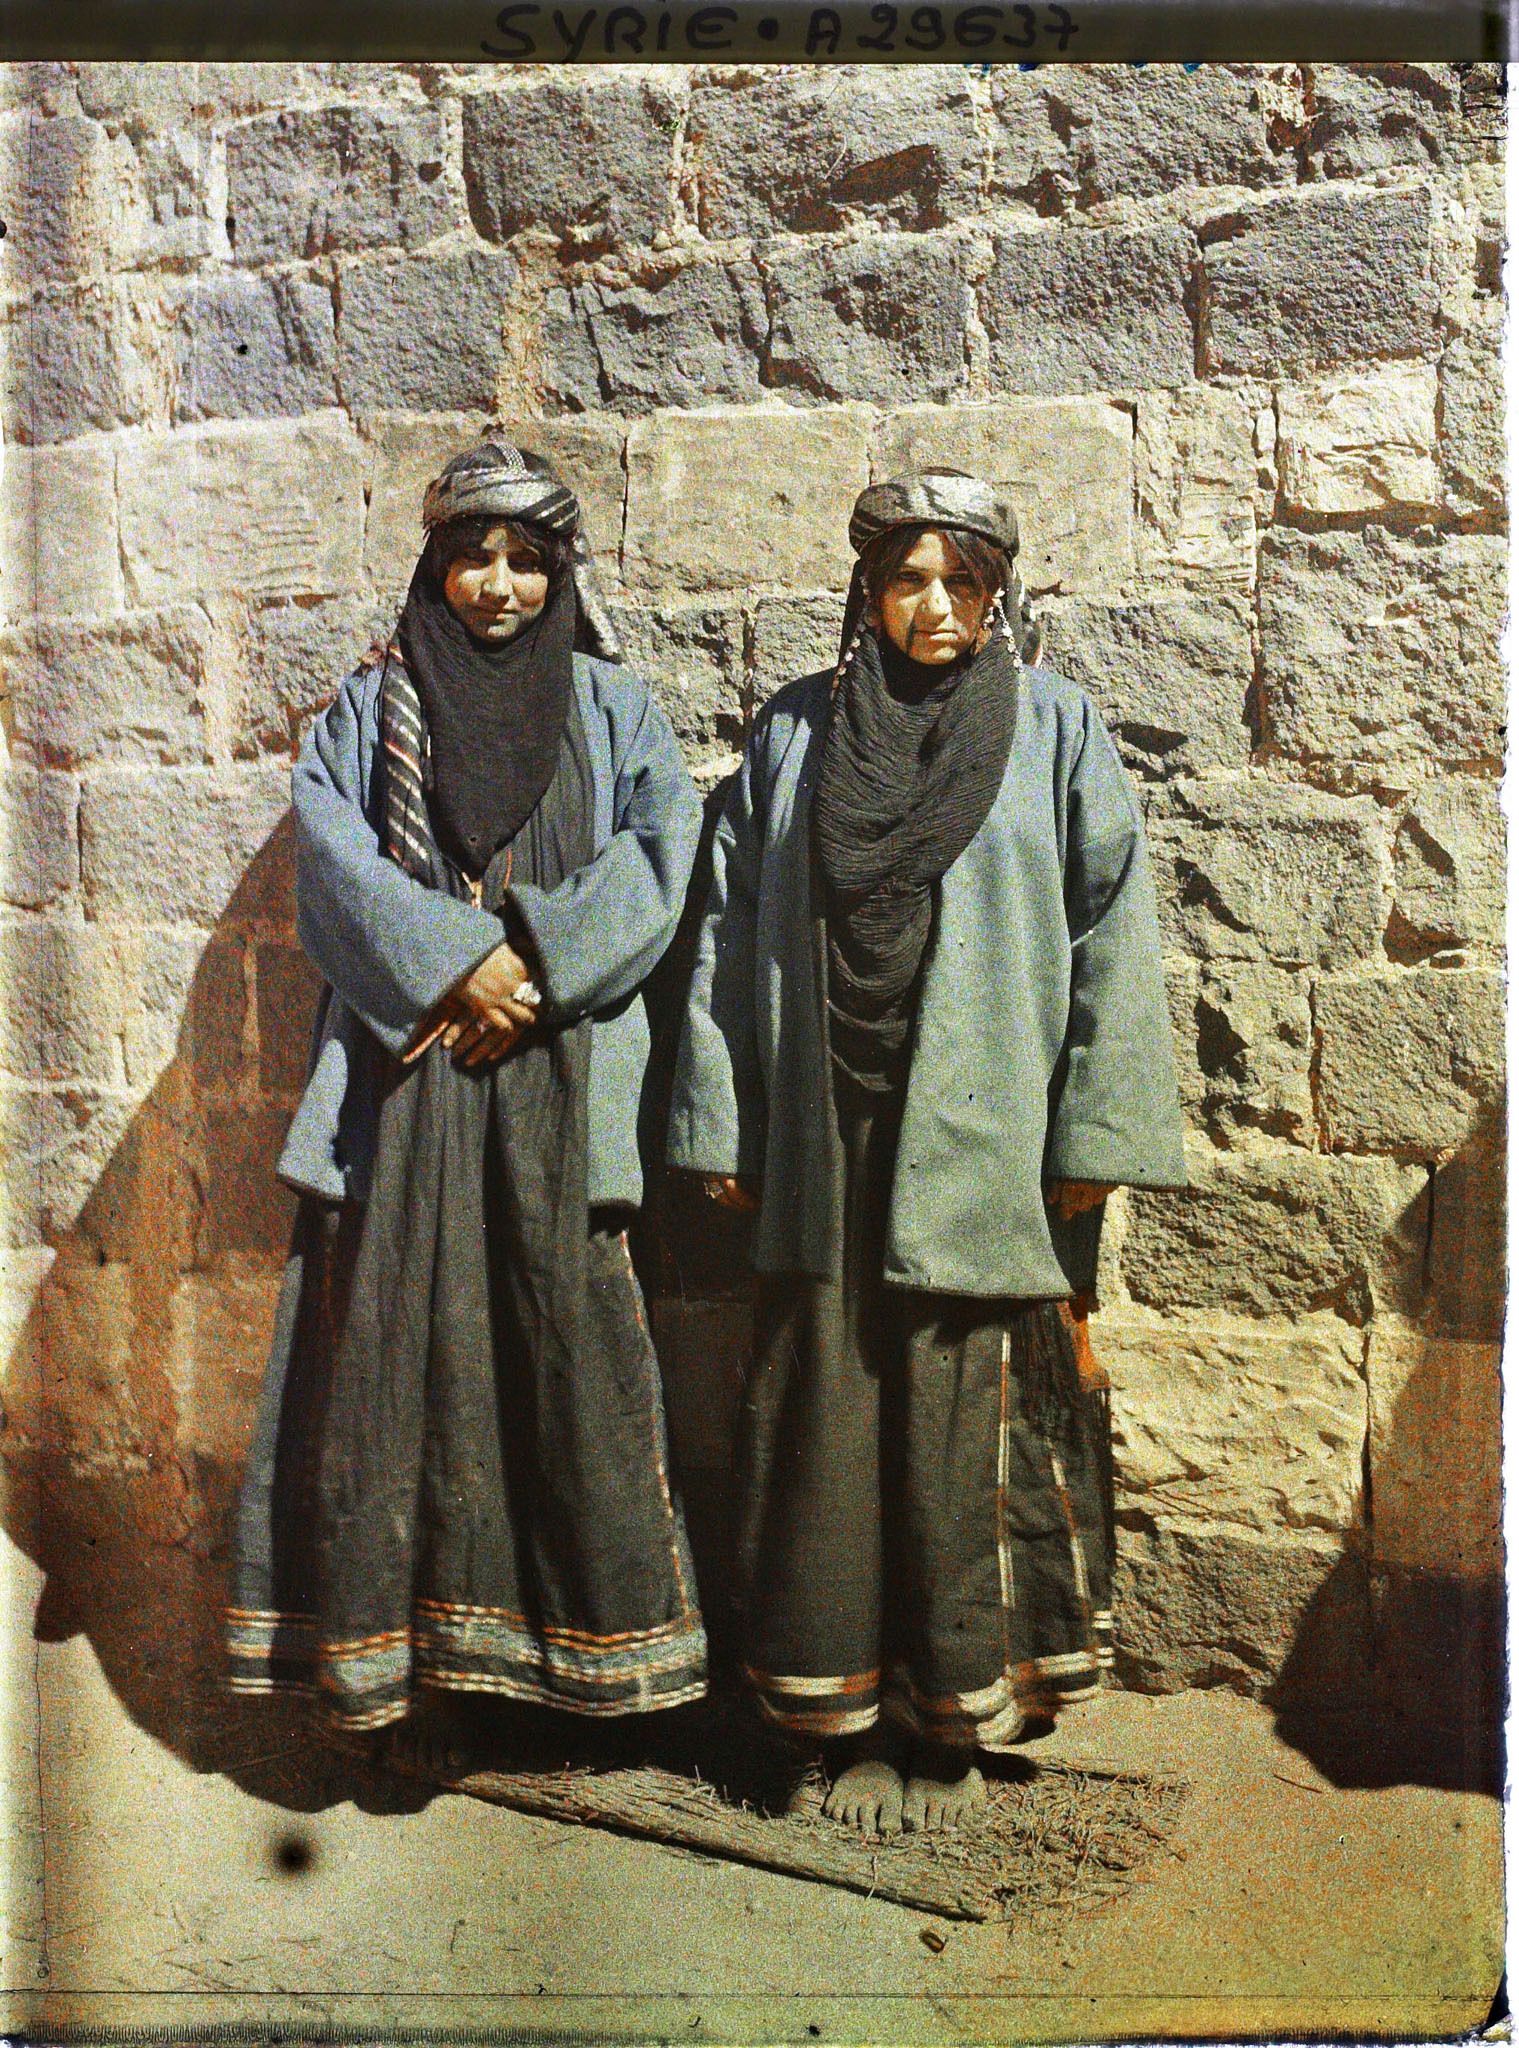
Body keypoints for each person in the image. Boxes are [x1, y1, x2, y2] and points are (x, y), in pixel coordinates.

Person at [667, 469, 1187, 1834]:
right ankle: (827, 1711)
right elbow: (722, 935)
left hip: (986, 1136)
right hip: (826, 1136)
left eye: (963, 582)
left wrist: (1092, 1130)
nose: (936, 608)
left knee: (963, 1419)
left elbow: (1110, 932)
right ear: (869, 591)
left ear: (998, 592)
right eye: (909, 580)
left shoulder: (1057, 731)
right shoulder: (795, 738)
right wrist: (719, 1119)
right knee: (824, 1418)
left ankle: (947, 1723)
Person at [228, 441, 708, 1737]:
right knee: (397, 1344)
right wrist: (457, 970)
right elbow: (331, 863)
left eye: (525, 562)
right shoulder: (368, 709)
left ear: (561, 573)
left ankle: (582, 1668)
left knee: (564, 1343)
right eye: (472, 558)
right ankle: (408, 1663)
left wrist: (535, 966)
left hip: (556, 1080)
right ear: (436, 566)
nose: (497, 587)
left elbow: (665, 856)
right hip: (410, 1083)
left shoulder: (615, 710)